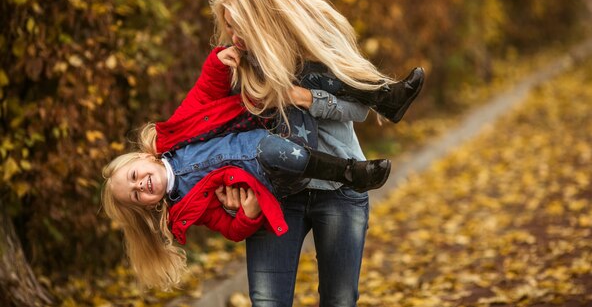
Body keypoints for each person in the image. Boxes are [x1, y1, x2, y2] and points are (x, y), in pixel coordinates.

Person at [101, 45, 408, 290]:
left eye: (134, 177)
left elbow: (204, 94)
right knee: (268, 148)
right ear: (149, 206)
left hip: (278, 128)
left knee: (304, 78)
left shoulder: (175, 133)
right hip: (274, 172)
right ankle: (350, 172)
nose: (140, 185)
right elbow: (230, 228)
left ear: (144, 159)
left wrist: (218, 64)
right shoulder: (186, 210)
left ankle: (383, 95)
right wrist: (246, 216)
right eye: (136, 195)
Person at [210, 0, 425, 306]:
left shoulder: (321, 32)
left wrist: (303, 98)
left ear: (263, 19)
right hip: (276, 192)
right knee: (267, 302)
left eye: (239, 27)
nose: (233, 36)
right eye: (229, 26)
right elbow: (225, 130)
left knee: (339, 300)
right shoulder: (236, 59)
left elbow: (359, 110)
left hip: (340, 190)